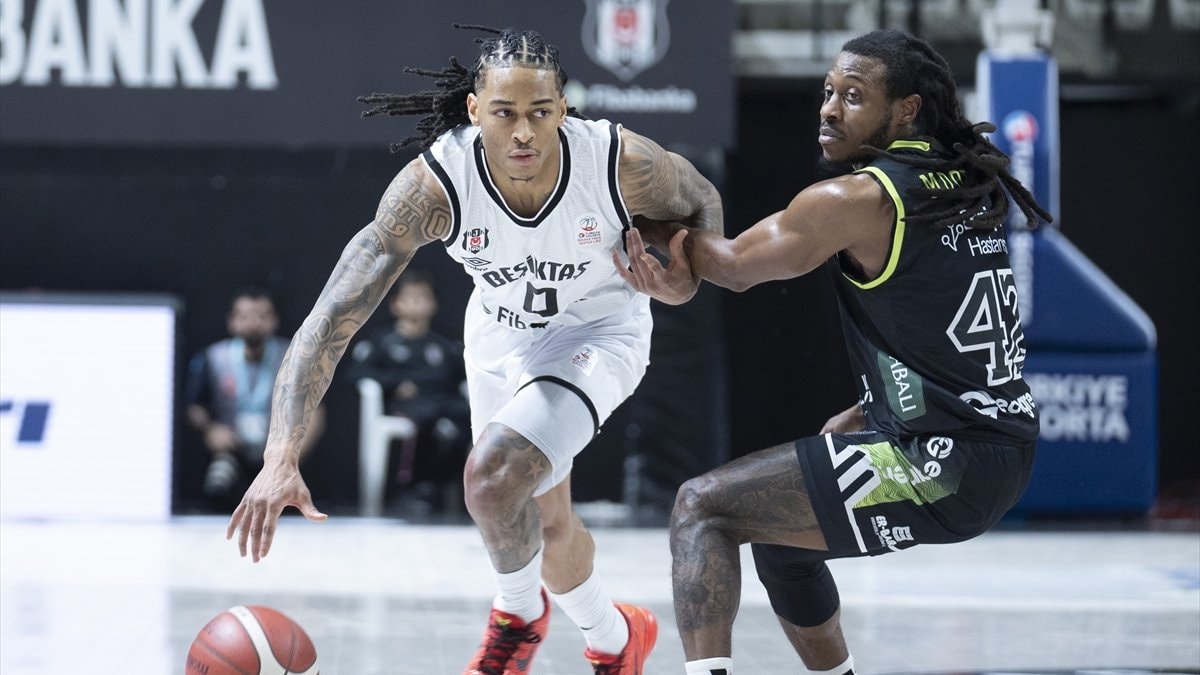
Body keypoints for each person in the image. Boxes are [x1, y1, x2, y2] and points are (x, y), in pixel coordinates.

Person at [225, 24, 722, 675]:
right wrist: (280, 453)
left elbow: (702, 200)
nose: (523, 132)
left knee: (490, 476)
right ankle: (614, 638)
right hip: (498, 333)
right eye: (505, 113)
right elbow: (330, 319)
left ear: (563, 108)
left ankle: (516, 618)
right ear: (474, 109)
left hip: (597, 331)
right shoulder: (436, 186)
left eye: (540, 112)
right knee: (546, 524)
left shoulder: (618, 162)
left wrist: (685, 282)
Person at [617, 29, 1051, 675]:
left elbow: (732, 265)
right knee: (781, 539)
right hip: (1000, 447)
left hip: (941, 459)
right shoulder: (965, 182)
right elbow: (938, 320)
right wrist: (875, 404)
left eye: (853, 96)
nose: (828, 109)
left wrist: (634, 216)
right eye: (827, 92)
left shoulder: (860, 198)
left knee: (700, 506)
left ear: (905, 110)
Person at [185, 287, 324, 511]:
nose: (253, 323)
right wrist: (210, 429)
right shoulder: (213, 357)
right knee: (218, 484)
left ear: (274, 320)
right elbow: (195, 406)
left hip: (279, 452)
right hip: (232, 449)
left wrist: (293, 455)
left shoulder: (293, 357)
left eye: (261, 316)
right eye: (245, 317)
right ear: (231, 321)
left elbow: (315, 410)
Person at [348, 269, 470, 517]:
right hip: (406, 406)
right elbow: (358, 373)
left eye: (422, 297)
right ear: (396, 304)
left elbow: (461, 376)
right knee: (427, 416)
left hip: (442, 402)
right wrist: (397, 384)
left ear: (433, 304)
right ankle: (417, 488)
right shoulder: (383, 342)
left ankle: (456, 487)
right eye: (410, 298)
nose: (416, 303)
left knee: (465, 417)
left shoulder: (443, 345)